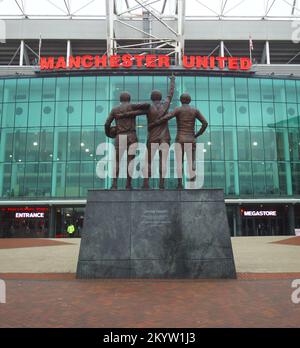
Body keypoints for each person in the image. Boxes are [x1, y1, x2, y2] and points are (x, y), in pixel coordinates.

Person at [115, 75, 176, 189]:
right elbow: (170, 94)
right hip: (165, 138)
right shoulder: (165, 105)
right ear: (160, 97)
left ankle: (146, 183)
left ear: (152, 98)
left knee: (148, 161)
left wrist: (123, 114)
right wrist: (172, 80)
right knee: (163, 161)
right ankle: (161, 184)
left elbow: (135, 113)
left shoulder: (148, 107)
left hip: (152, 137)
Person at [149, 92, 208, 189]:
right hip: (191, 138)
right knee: (191, 161)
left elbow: (167, 117)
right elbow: (205, 123)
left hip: (180, 139)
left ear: (181, 100)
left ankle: (180, 184)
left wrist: (157, 122)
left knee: (179, 162)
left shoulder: (178, 110)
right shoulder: (195, 110)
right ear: (189, 100)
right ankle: (192, 181)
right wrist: (197, 134)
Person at [104, 93, 150, 190]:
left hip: (120, 136)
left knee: (117, 161)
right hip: (131, 136)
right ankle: (128, 185)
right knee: (130, 161)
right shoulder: (132, 106)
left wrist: (108, 133)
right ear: (129, 99)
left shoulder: (115, 109)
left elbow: (107, 123)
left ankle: (114, 184)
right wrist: (134, 110)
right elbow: (147, 105)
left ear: (120, 99)